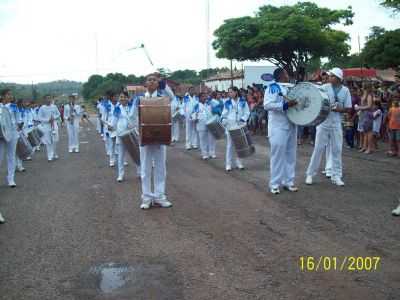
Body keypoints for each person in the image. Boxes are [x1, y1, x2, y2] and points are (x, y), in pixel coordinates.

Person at [305, 68, 352, 186]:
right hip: (323, 122)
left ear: (338, 78)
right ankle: (310, 174)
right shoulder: (324, 87)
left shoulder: (345, 91)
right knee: (318, 148)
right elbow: (315, 100)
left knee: (337, 149)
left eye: (332, 76)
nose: (329, 78)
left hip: (336, 123)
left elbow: (348, 108)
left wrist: (339, 109)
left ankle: (336, 176)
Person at [138, 73, 174, 209]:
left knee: (160, 168)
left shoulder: (164, 98)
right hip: (145, 137)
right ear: (145, 83)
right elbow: (133, 116)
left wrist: (164, 83)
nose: (152, 82)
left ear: (158, 83)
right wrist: (140, 133)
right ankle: (146, 197)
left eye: (154, 80)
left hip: (160, 137)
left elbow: (172, 97)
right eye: (149, 80)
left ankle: (160, 196)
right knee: (145, 169)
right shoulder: (140, 99)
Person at [264, 68, 298, 194]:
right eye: (286, 73)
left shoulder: (291, 87)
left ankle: (288, 182)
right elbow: (267, 105)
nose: (288, 75)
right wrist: (285, 106)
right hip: (278, 127)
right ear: (281, 75)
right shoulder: (272, 88)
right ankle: (274, 184)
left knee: (291, 155)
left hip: (292, 124)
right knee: (277, 156)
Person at [111, 91, 140, 182]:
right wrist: (111, 127)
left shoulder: (132, 107)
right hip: (121, 135)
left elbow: (135, 117)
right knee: (121, 156)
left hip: (132, 133)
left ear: (128, 98)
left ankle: (139, 172)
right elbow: (114, 122)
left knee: (135, 154)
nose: (122, 99)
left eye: (124, 97)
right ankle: (120, 175)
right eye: (121, 97)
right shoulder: (117, 109)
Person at [221, 86, 250, 172]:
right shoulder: (227, 103)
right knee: (230, 146)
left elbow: (247, 112)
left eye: (231, 92)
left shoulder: (243, 101)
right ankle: (228, 164)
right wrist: (224, 120)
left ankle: (239, 163)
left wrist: (243, 119)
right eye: (229, 92)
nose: (229, 94)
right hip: (231, 126)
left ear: (236, 92)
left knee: (240, 145)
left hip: (240, 126)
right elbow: (223, 114)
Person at [0, 89, 18, 187]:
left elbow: (17, 118)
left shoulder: (14, 107)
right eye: (8, 94)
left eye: (11, 94)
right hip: (1, 135)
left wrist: (18, 124)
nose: (10, 96)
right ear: (2, 96)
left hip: (13, 133)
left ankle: (11, 179)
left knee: (11, 156)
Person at [38, 95, 60, 161]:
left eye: (49, 98)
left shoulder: (54, 106)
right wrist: (47, 120)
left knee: (55, 140)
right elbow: (39, 117)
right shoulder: (42, 108)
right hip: (46, 126)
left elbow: (58, 114)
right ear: (44, 100)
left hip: (54, 124)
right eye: (47, 98)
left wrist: (54, 118)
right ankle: (49, 156)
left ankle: (54, 153)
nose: (48, 100)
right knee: (48, 141)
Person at [356, 82, 374, 153]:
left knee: (369, 131)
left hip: (368, 114)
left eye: (363, 86)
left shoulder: (369, 95)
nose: (362, 87)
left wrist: (360, 107)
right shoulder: (364, 94)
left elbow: (369, 106)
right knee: (364, 131)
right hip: (363, 114)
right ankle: (364, 147)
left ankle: (369, 148)